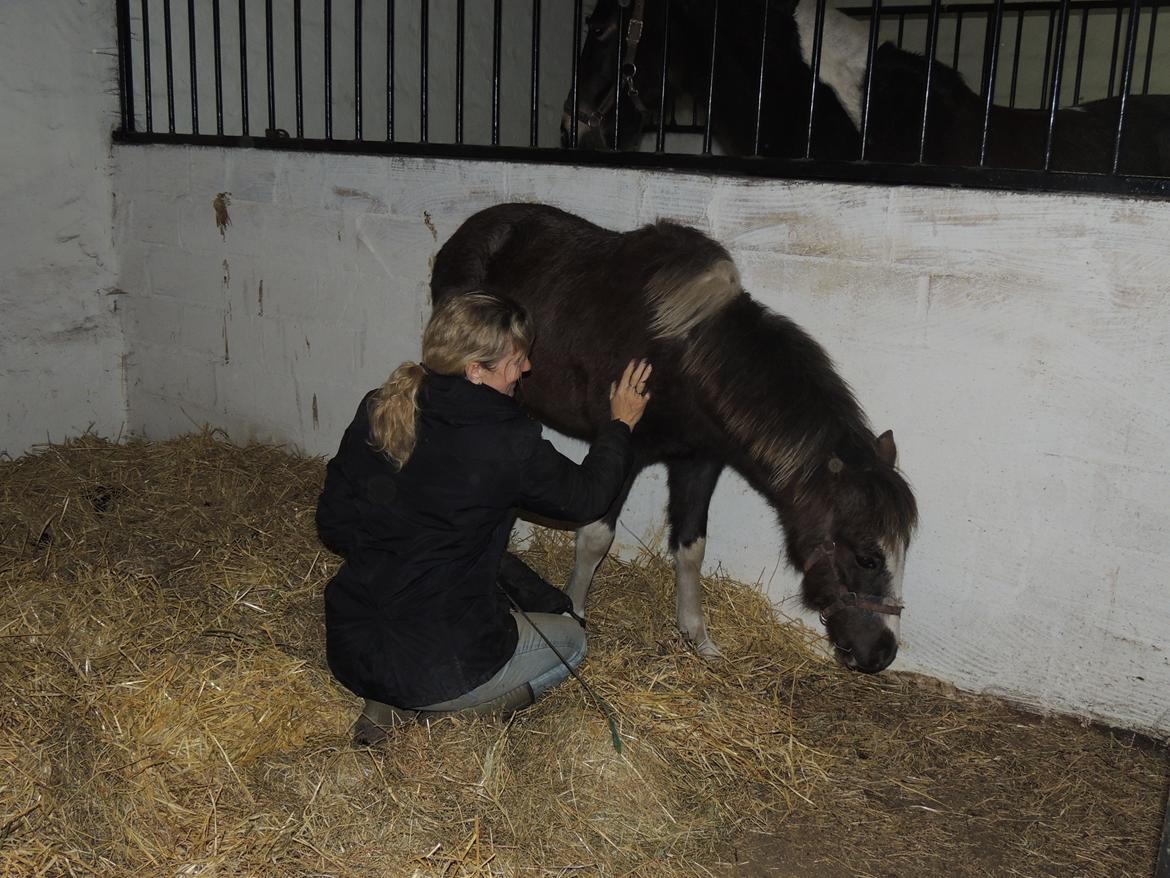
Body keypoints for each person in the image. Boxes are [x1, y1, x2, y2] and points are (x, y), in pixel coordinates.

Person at [315, 292, 652, 744]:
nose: (526, 369)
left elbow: (333, 523)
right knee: (572, 644)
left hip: (351, 642)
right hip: (436, 661)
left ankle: (387, 700)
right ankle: (426, 722)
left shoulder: (381, 405)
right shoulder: (506, 440)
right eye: (516, 360)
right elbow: (587, 497)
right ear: (475, 370)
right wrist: (620, 425)